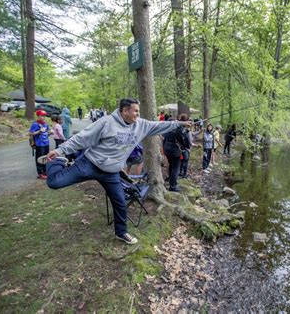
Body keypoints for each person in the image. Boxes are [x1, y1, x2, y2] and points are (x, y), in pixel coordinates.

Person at [40, 98, 191, 245]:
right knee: (54, 182)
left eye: (138, 111)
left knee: (119, 201)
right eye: (135, 111)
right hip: (90, 163)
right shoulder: (106, 122)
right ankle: (59, 162)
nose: (138, 114)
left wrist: (180, 123)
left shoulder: (140, 125)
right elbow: (82, 138)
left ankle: (121, 232)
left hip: (111, 172)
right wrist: (60, 151)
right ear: (124, 111)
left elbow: (159, 125)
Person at [163, 114, 191, 191]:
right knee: (176, 168)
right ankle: (173, 186)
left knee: (171, 166)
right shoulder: (178, 130)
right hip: (175, 151)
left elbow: (164, 139)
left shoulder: (166, 129)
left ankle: (170, 180)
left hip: (167, 149)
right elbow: (185, 141)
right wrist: (186, 131)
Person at [30, 110, 51, 179]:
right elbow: (31, 133)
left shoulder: (45, 124)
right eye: (42, 115)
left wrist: (50, 132)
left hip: (46, 143)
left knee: (46, 157)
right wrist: (39, 131)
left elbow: (46, 133)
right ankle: (40, 173)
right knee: (39, 158)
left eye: (44, 116)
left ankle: (45, 171)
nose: (44, 117)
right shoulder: (35, 124)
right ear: (38, 116)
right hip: (39, 144)